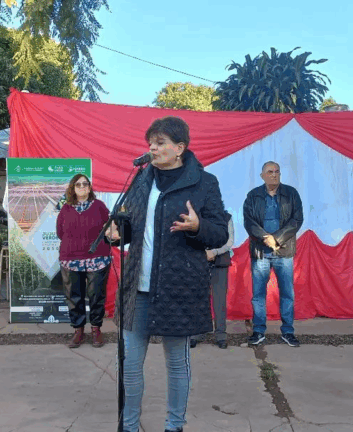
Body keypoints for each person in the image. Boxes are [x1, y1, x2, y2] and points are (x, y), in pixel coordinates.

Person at [106, 116, 228, 432]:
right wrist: (118, 233)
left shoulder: (204, 182)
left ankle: (174, 425)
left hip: (178, 287)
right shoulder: (141, 180)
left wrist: (198, 227)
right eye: (151, 143)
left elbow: (219, 233)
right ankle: (129, 426)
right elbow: (131, 227)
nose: (153, 148)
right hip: (138, 288)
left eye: (160, 143)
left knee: (176, 363)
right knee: (130, 364)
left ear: (179, 148)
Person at [243, 161, 303, 347]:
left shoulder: (291, 194)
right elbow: (249, 221)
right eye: (270, 172)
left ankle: (288, 332)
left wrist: (276, 239)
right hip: (261, 252)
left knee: (287, 294)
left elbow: (297, 220)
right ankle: (258, 331)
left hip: (283, 251)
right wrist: (264, 238)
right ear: (262, 176)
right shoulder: (253, 196)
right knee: (258, 295)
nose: (274, 175)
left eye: (277, 171)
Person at [56, 174, 112, 348]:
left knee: (96, 295)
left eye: (85, 184)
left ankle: (96, 329)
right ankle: (78, 330)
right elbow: (60, 232)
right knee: (74, 297)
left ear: (89, 187)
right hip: (71, 259)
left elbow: (110, 228)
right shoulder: (65, 209)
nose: (82, 187)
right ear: (73, 188)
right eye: (78, 184)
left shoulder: (99, 206)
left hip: (97, 258)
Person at [191, 211, 234, 349]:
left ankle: (221, 335)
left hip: (220, 263)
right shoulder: (197, 216)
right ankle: (197, 334)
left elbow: (229, 241)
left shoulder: (226, 217)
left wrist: (214, 252)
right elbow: (192, 237)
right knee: (198, 299)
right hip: (199, 262)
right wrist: (203, 252)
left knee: (219, 300)